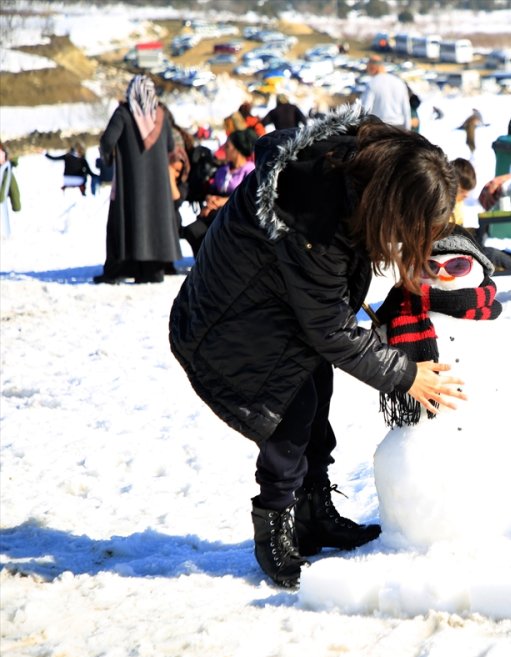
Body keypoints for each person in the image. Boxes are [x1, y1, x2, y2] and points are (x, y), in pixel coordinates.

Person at [168, 103, 467, 589]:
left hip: (269, 304)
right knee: (290, 411)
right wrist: (407, 375)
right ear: (391, 202)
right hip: (231, 321)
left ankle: (313, 513)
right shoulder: (314, 222)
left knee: (316, 390)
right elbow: (329, 329)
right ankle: (275, 530)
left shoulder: (361, 174)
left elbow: (330, 311)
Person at [95, 74, 181, 284]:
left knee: (127, 220)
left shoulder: (124, 114)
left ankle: (123, 268)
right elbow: (170, 147)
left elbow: (107, 141)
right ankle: (152, 270)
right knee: (155, 223)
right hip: (158, 185)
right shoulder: (161, 115)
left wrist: (109, 158)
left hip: (130, 183)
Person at [180, 128, 258, 257]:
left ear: (237, 149)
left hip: (237, 214)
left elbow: (249, 196)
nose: (224, 149)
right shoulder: (223, 170)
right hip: (216, 212)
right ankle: (203, 263)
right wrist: (210, 200)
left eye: (227, 146)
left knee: (216, 232)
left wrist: (222, 201)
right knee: (193, 230)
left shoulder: (249, 170)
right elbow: (214, 191)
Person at [359, 55, 410, 130]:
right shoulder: (399, 82)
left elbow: (366, 110)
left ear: (373, 67)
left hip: (380, 129)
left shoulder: (372, 83)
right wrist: (408, 130)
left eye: (368, 67)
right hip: (399, 128)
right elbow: (406, 109)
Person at [0, 141, 21, 240]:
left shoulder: (7, 171)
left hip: (6, 174)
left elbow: (15, 161)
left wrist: (9, 160)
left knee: (14, 202)